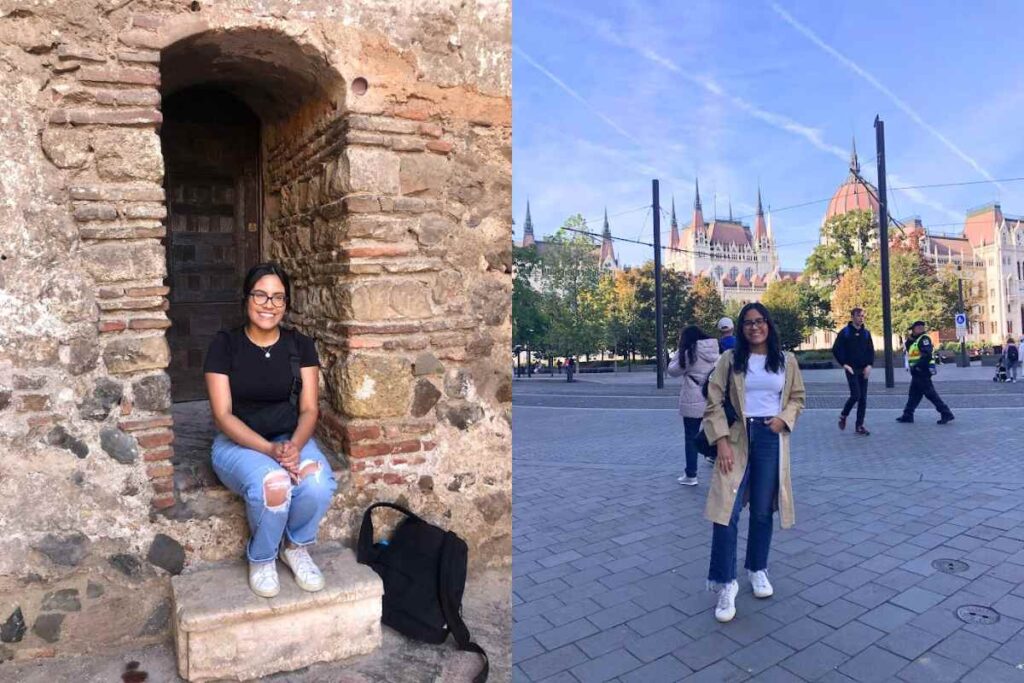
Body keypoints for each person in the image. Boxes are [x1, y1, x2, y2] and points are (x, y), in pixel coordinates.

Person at [204, 263, 337, 597]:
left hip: (289, 437)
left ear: (286, 304)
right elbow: (222, 416)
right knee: (274, 484)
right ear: (247, 299)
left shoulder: (300, 345)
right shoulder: (225, 345)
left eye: (278, 297)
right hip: (239, 443)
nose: (269, 304)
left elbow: (309, 409)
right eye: (261, 295)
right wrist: (269, 451)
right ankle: (262, 557)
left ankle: (294, 547)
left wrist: (292, 446)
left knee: (318, 481)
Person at [703, 303, 805, 623]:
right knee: (726, 513)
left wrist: (783, 419)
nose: (754, 327)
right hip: (736, 437)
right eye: (747, 323)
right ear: (740, 327)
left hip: (770, 436)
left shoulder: (786, 361)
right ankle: (725, 583)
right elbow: (713, 399)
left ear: (768, 325)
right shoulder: (730, 359)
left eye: (760, 321)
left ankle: (757, 568)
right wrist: (720, 441)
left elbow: (797, 398)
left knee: (763, 510)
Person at [667, 326, 720, 486]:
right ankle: (718, 466)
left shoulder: (690, 353)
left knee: (691, 436)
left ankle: (691, 474)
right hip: (712, 396)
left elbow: (672, 370)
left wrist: (679, 351)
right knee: (716, 433)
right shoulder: (714, 349)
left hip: (693, 396)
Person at [897, 320, 954, 425]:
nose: (920, 329)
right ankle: (908, 414)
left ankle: (946, 413)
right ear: (913, 329)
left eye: (921, 328)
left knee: (930, 394)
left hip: (922, 371)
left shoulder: (924, 339)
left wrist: (918, 367)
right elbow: (911, 351)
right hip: (916, 371)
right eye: (917, 328)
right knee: (914, 394)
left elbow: (926, 355)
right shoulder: (915, 340)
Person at [832, 307, 874, 435]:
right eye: (859, 316)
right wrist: (844, 364)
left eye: (862, 316)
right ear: (852, 317)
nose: (861, 318)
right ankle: (844, 415)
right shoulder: (845, 333)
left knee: (863, 399)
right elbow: (836, 349)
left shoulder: (866, 333)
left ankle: (859, 425)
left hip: (863, 369)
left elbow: (870, 351)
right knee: (856, 395)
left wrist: (869, 365)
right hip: (851, 369)